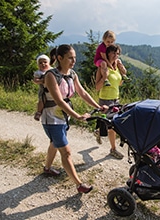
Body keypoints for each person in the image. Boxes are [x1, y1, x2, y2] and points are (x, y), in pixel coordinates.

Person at [41, 44, 107, 194]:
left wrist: (98, 106)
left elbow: (82, 93)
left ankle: (47, 168)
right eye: (70, 58)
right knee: (66, 152)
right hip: (52, 119)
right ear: (59, 58)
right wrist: (77, 116)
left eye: (75, 58)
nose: (73, 61)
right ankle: (79, 185)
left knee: (55, 142)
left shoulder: (72, 74)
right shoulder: (51, 76)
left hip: (63, 117)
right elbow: (59, 101)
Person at [95, 44, 126, 159]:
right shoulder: (102, 68)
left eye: (117, 53)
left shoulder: (116, 67)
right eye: (113, 53)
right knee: (112, 126)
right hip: (105, 100)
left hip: (116, 99)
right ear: (107, 54)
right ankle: (113, 149)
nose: (115, 56)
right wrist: (104, 78)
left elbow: (118, 84)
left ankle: (99, 131)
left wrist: (123, 74)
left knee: (112, 124)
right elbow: (97, 87)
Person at [33, 54, 51, 121]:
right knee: (42, 100)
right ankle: (39, 112)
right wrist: (42, 81)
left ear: (48, 63)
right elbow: (35, 80)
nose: (43, 64)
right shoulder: (38, 73)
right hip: (43, 89)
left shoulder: (51, 70)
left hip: (52, 89)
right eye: (40, 63)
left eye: (45, 62)